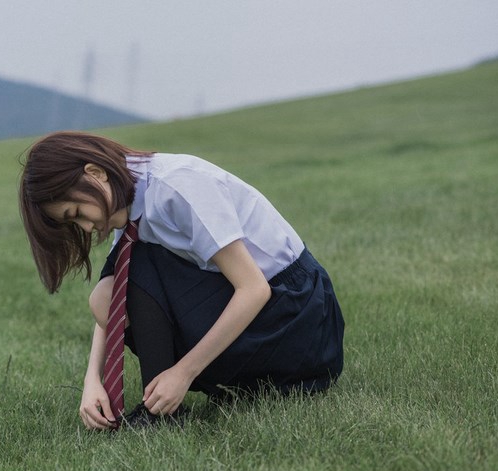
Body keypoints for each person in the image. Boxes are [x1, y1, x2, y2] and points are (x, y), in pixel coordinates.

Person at [19, 131, 345, 430]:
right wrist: (93, 381)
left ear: (96, 173)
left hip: (296, 319)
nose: (87, 228)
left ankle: (163, 415)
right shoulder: (131, 198)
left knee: (140, 264)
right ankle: (166, 406)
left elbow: (254, 288)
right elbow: (113, 299)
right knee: (107, 290)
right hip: (269, 320)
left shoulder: (177, 186)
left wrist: (183, 373)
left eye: (77, 212)